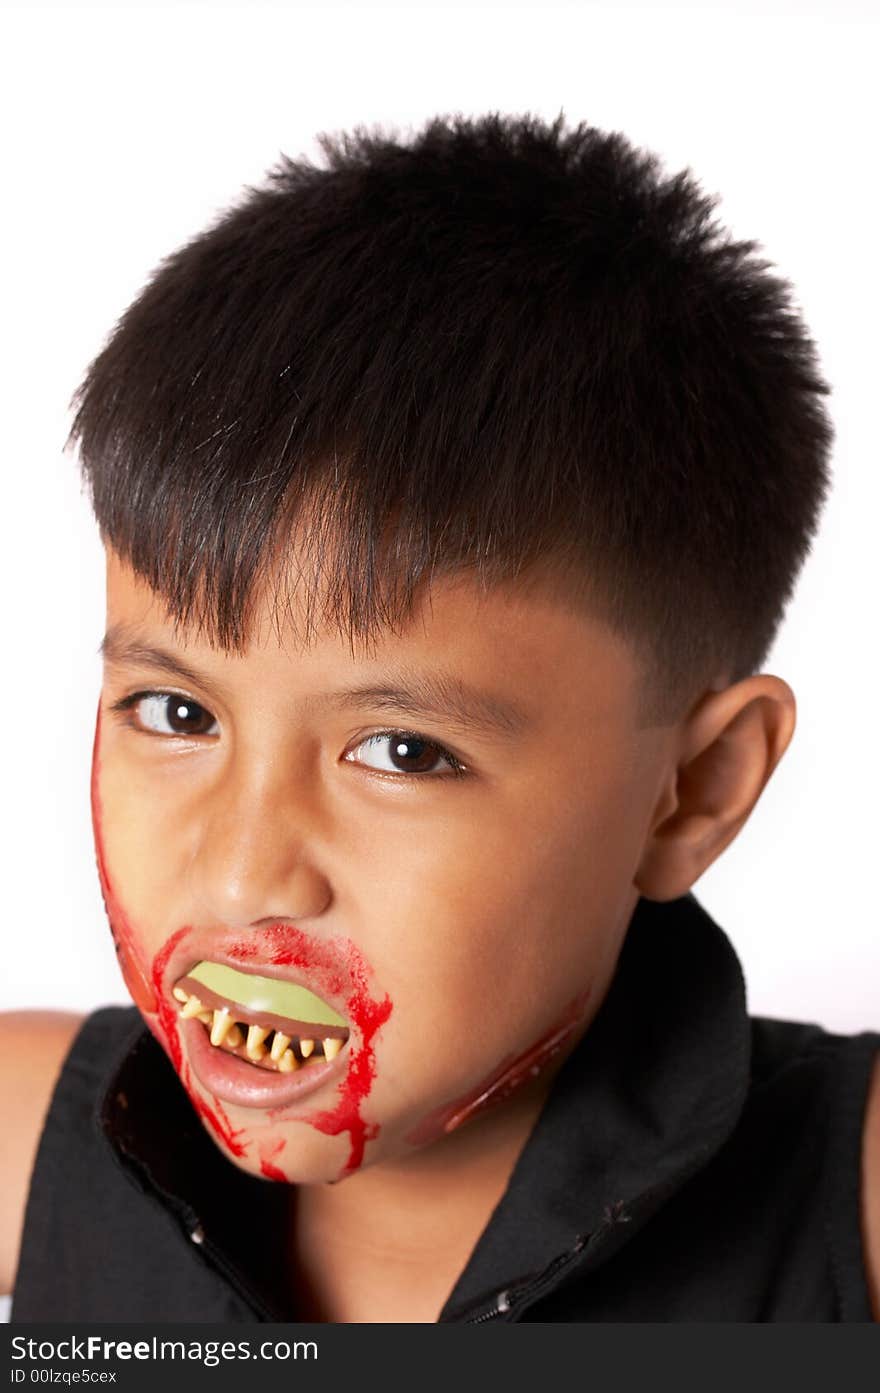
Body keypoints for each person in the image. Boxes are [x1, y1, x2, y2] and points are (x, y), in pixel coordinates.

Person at [3, 110, 878, 1323]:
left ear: (696, 789)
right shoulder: (25, 1150)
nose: (247, 869)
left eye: (402, 750)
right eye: (174, 709)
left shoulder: (853, 1205)